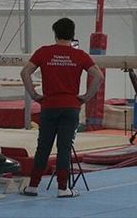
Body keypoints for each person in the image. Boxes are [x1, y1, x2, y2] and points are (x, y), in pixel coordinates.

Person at [20, 18, 104, 198]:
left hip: (49, 105)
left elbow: (25, 72)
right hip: (70, 106)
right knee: (64, 147)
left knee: (43, 146)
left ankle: (33, 186)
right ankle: (62, 188)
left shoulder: (44, 52)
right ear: (73, 34)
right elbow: (98, 76)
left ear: (55, 33)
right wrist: (86, 97)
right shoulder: (79, 55)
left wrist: (34, 94)